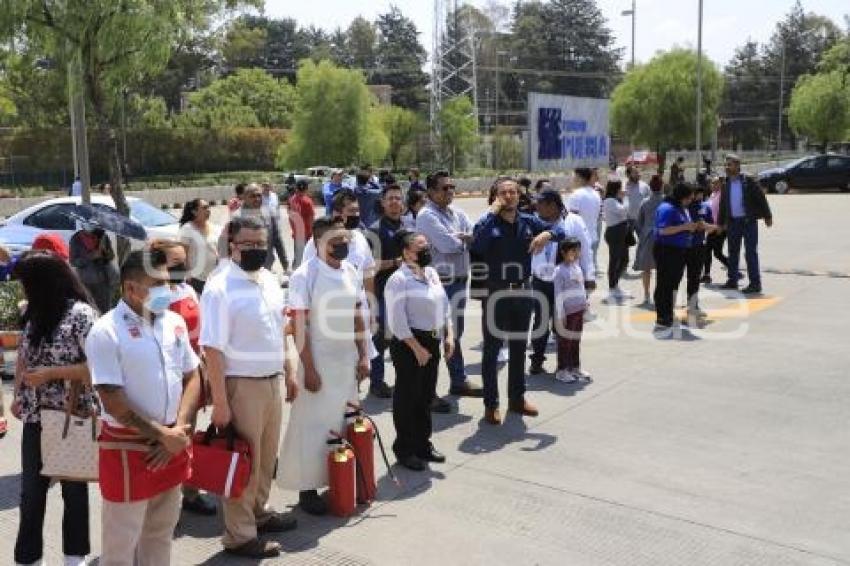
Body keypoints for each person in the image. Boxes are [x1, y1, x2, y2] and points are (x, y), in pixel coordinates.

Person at [86, 250, 202, 566]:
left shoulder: (174, 322)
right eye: (158, 284)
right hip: (128, 450)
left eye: (168, 282)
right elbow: (112, 399)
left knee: (160, 534)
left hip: (172, 444)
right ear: (130, 289)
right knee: (121, 544)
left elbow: (193, 376)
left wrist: (176, 430)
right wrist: (163, 435)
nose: (168, 290)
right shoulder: (106, 331)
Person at [201, 216, 298, 558]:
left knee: (266, 458)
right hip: (241, 386)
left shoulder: (269, 279)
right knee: (242, 461)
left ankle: (259, 511)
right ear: (232, 246)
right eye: (249, 244)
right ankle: (239, 535)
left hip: (271, 380)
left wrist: (288, 369)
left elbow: (277, 328)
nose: (258, 249)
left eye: (262, 243)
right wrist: (220, 402)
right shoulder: (220, 287)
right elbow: (212, 348)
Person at [278, 217, 370, 515]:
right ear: (318, 244)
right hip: (317, 361)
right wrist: (310, 368)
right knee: (312, 426)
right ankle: (308, 488)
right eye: (335, 242)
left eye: (346, 241)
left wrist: (364, 354)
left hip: (346, 361)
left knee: (342, 421)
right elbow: (299, 325)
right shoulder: (304, 276)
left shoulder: (351, 271)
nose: (343, 246)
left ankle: (339, 477)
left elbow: (358, 315)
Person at [11, 253, 98, 566]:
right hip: (36, 417)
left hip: (71, 415)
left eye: (27, 283)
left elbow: (97, 368)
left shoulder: (82, 315)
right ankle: (28, 557)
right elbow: (23, 355)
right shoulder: (35, 312)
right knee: (31, 493)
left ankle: (74, 556)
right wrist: (19, 392)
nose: (23, 290)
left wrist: (50, 374)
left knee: (74, 488)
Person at [471, 177, 565, 425]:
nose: (510, 196)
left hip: (523, 292)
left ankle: (517, 399)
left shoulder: (528, 220)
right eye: (504, 192)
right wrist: (492, 212)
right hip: (496, 295)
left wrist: (546, 233)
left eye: (513, 192)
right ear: (495, 197)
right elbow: (478, 246)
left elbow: (562, 230)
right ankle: (491, 405)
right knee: (491, 351)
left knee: (518, 349)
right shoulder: (486, 222)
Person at [151, 240, 218, 517]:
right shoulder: (156, 297)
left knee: (188, 433)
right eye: (175, 263)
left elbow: (202, 330)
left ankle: (188, 492)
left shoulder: (189, 288)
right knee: (170, 437)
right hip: (170, 376)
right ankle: (162, 500)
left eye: (184, 261)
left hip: (194, 370)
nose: (183, 268)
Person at [385, 231, 453, 471]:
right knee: (408, 397)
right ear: (406, 252)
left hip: (432, 341)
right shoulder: (398, 280)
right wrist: (416, 348)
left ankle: (423, 444)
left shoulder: (431, 273)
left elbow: (444, 305)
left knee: (425, 396)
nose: (426, 251)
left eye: (427, 246)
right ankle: (405, 449)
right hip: (409, 344)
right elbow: (397, 320)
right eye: (420, 247)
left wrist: (449, 336)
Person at [416, 171, 483, 405]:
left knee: (454, 334)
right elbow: (448, 245)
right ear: (431, 192)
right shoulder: (426, 216)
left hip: (460, 281)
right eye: (444, 188)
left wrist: (463, 239)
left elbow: (477, 235)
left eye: (452, 186)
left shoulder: (457, 213)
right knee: (436, 336)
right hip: (442, 284)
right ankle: (428, 392)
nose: (450, 191)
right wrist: (463, 240)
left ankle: (457, 381)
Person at [528, 190, 594, 375]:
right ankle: (537, 360)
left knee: (564, 324)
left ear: (553, 205)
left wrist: (589, 277)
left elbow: (586, 249)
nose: (537, 207)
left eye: (540, 203)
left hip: (566, 283)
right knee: (540, 322)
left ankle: (565, 364)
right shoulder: (535, 221)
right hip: (541, 280)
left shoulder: (574, 222)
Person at [368, 184, 405, 399]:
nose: (394, 202)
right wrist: (395, 262)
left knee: (401, 339)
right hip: (382, 293)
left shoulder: (408, 227)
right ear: (382, 203)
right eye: (390, 198)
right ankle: (376, 381)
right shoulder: (374, 230)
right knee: (380, 340)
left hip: (404, 294)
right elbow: (369, 266)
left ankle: (404, 380)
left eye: (398, 199)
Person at [718, 154, 773, 294]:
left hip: (748, 222)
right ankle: (732, 280)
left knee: (750, 253)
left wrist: (767, 216)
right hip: (733, 223)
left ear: (737, 165)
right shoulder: (725, 183)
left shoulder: (748, 181)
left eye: (729, 164)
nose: (727, 167)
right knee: (732, 252)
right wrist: (720, 223)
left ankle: (755, 283)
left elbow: (761, 198)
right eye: (726, 165)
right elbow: (723, 205)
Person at [653, 183, 700, 330]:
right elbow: (662, 230)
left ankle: (668, 313)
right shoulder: (667, 208)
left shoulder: (679, 208)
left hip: (678, 250)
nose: (690, 201)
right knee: (665, 284)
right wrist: (685, 227)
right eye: (688, 199)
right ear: (682, 197)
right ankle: (662, 316)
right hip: (666, 250)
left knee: (673, 283)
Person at [552, 238, 591, 383]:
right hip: (567, 313)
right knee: (565, 342)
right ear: (563, 252)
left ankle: (575, 367)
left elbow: (581, 287)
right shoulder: (559, 271)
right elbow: (558, 294)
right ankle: (562, 370)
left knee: (575, 340)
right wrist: (561, 314)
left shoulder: (577, 267)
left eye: (578, 250)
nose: (576, 253)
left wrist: (585, 303)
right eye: (572, 250)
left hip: (578, 310)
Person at [69, 224, 119, 314]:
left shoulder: (102, 236)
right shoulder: (76, 239)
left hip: (103, 280)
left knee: (105, 310)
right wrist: (90, 256)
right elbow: (73, 261)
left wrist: (104, 253)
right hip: (85, 281)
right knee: (88, 310)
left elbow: (111, 255)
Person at [633, 174, 665, 305]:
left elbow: (638, 223)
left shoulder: (645, 202)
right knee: (662, 268)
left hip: (647, 237)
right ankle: (661, 294)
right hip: (663, 236)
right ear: (662, 186)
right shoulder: (666, 201)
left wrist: (642, 235)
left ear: (650, 188)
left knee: (646, 269)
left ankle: (646, 295)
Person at [685, 186, 717, 319]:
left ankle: (693, 305)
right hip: (682, 246)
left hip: (697, 246)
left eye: (699, 195)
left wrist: (704, 226)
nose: (697, 197)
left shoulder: (705, 207)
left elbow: (711, 227)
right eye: (695, 195)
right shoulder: (683, 208)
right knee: (675, 278)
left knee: (694, 277)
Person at [178, 198, 220, 295]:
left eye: (208, 207)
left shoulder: (213, 227)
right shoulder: (187, 229)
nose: (208, 210)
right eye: (204, 208)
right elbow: (183, 254)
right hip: (196, 278)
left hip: (214, 276)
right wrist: (187, 275)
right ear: (194, 212)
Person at [568, 168, 602, 278]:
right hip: (592, 236)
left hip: (578, 239)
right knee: (587, 272)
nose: (572, 179)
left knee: (576, 274)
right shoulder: (596, 194)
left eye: (573, 176)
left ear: (580, 178)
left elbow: (572, 220)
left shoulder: (576, 195)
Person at [602, 179, 631, 303]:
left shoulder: (615, 200)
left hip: (621, 232)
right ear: (615, 188)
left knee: (624, 259)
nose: (622, 190)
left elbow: (624, 214)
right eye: (620, 187)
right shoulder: (609, 201)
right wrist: (626, 198)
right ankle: (612, 287)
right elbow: (624, 211)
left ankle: (615, 284)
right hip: (614, 233)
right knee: (615, 260)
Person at [702, 175, 729, 283]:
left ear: (721, 184)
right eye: (712, 183)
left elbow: (726, 212)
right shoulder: (712, 195)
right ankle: (707, 275)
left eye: (716, 183)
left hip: (720, 228)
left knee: (717, 253)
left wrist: (723, 227)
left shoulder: (723, 196)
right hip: (712, 227)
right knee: (707, 251)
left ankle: (733, 269)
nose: (713, 185)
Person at [261, 182, 290, 273]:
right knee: (268, 247)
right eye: (265, 187)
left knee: (280, 244)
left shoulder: (274, 196)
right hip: (265, 223)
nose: (267, 188)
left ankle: (286, 267)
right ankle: (268, 268)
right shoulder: (259, 197)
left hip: (275, 222)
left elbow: (277, 208)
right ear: (262, 188)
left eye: (268, 186)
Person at [288, 179, 316, 270]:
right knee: (308, 255)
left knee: (298, 254)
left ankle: (295, 271)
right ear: (306, 189)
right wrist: (312, 232)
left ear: (296, 188)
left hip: (297, 232)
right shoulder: (308, 201)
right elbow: (311, 218)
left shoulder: (291, 200)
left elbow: (290, 216)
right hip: (307, 232)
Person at [624, 166, 650, 236]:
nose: (638, 174)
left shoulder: (645, 186)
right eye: (635, 172)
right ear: (628, 175)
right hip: (627, 220)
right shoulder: (623, 186)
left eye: (638, 172)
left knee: (643, 241)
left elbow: (649, 201)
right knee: (626, 243)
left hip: (641, 220)